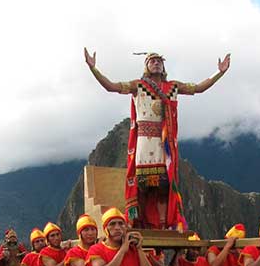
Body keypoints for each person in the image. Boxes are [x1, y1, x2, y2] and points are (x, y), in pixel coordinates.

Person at [84, 48, 230, 230]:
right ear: (146, 66)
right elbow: (111, 86)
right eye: (152, 61)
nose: (156, 63)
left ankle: (162, 224)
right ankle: (141, 223)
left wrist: (220, 72)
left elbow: (199, 88)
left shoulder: (173, 87)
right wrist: (93, 69)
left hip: (164, 143)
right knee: (143, 185)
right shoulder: (137, 86)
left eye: (159, 61)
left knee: (163, 185)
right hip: (144, 142)